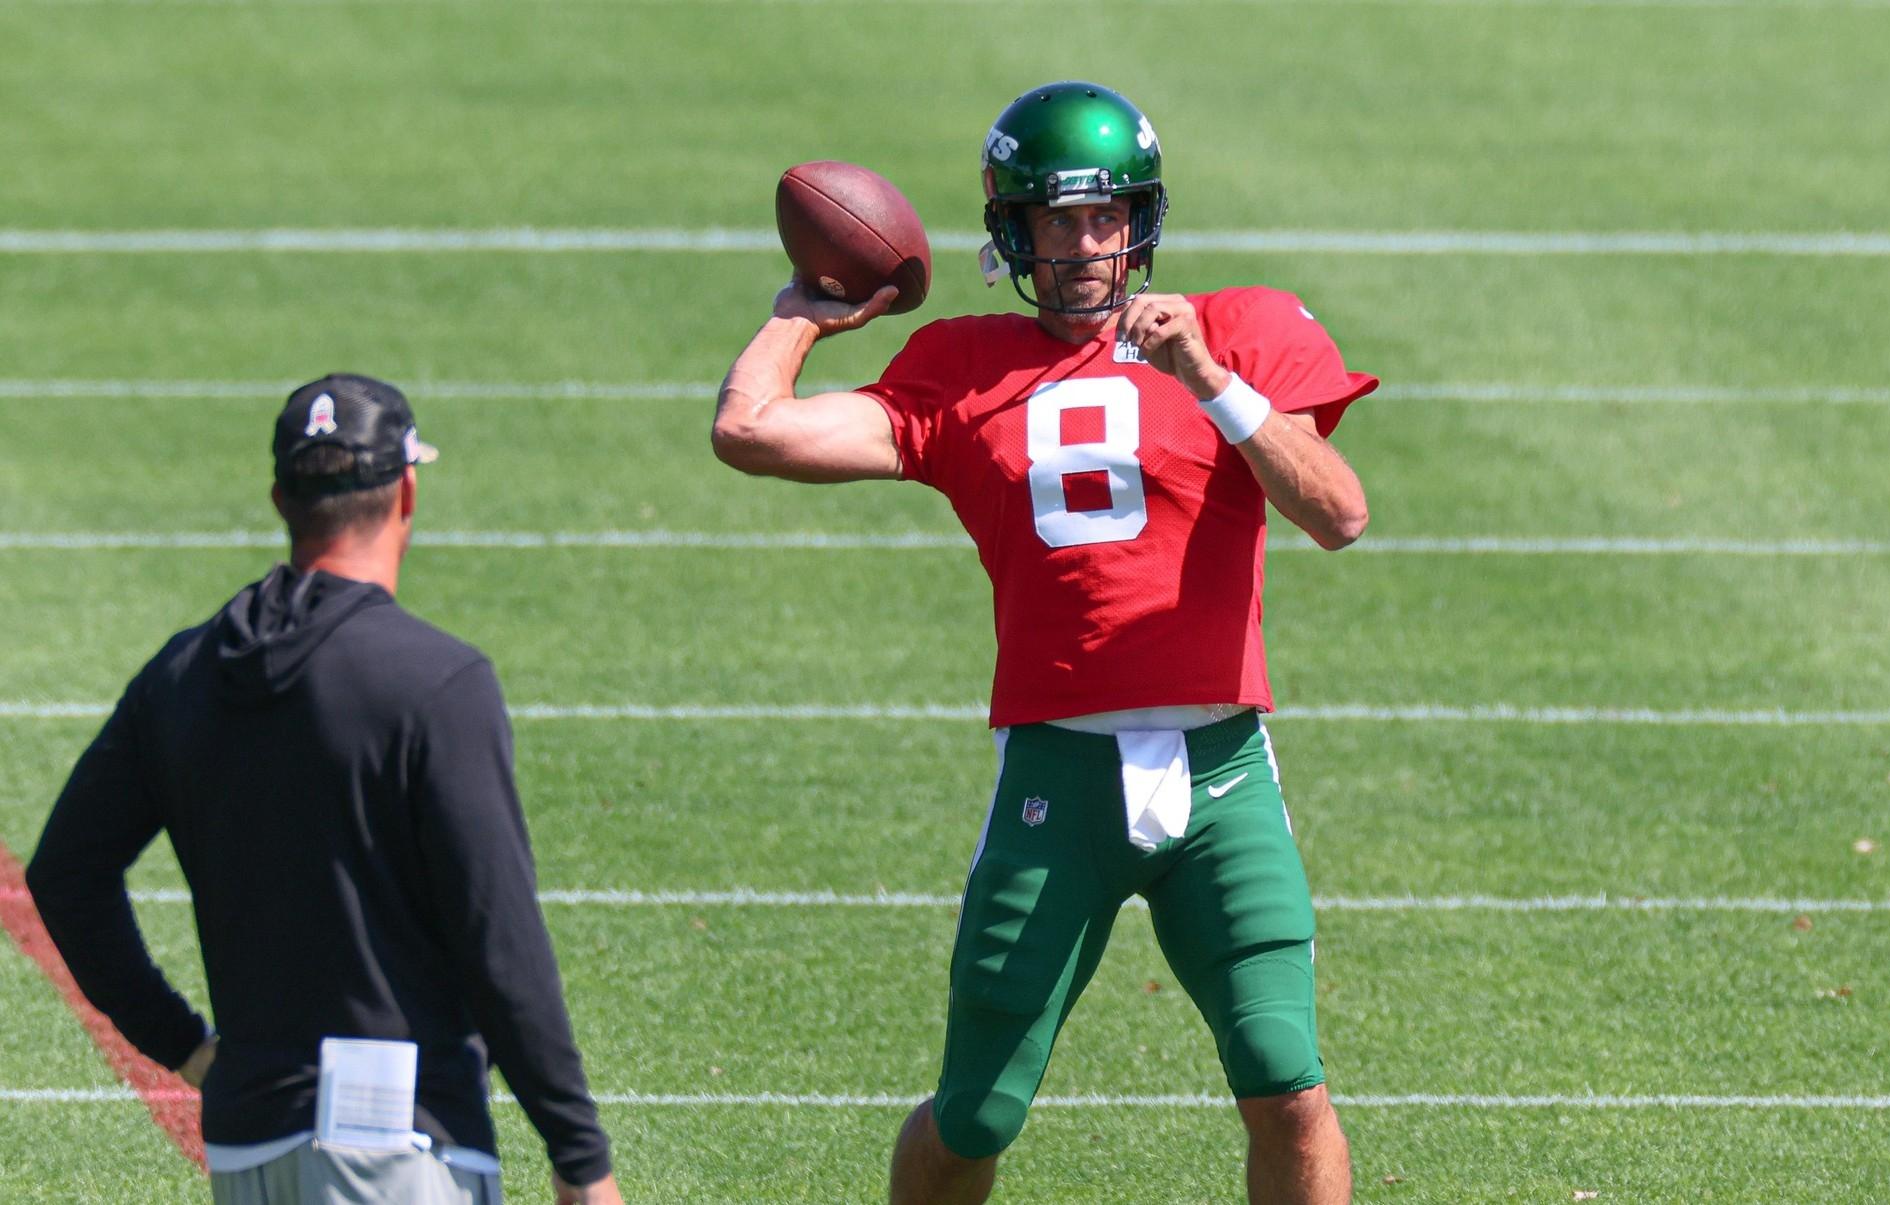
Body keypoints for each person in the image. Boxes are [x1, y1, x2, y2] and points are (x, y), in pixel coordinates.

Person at [714, 82, 1374, 1204]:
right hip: (1056, 773)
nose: (1085, 244)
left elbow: (1337, 512)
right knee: (977, 1110)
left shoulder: (1245, 327)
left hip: (1219, 770)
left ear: (1142, 220)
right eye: (1057, 220)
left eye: (1106, 216)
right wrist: (808, 313)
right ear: (1011, 232)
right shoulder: (963, 365)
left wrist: (1208, 377)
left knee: (1286, 1080)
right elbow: (751, 429)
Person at [26, 375, 623, 1205]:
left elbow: (64, 874)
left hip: (246, 1146)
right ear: (408, 488)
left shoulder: (182, 674)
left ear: (280, 497)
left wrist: (190, 1049)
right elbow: (499, 941)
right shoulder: (438, 682)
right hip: (401, 1146)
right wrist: (580, 1156)